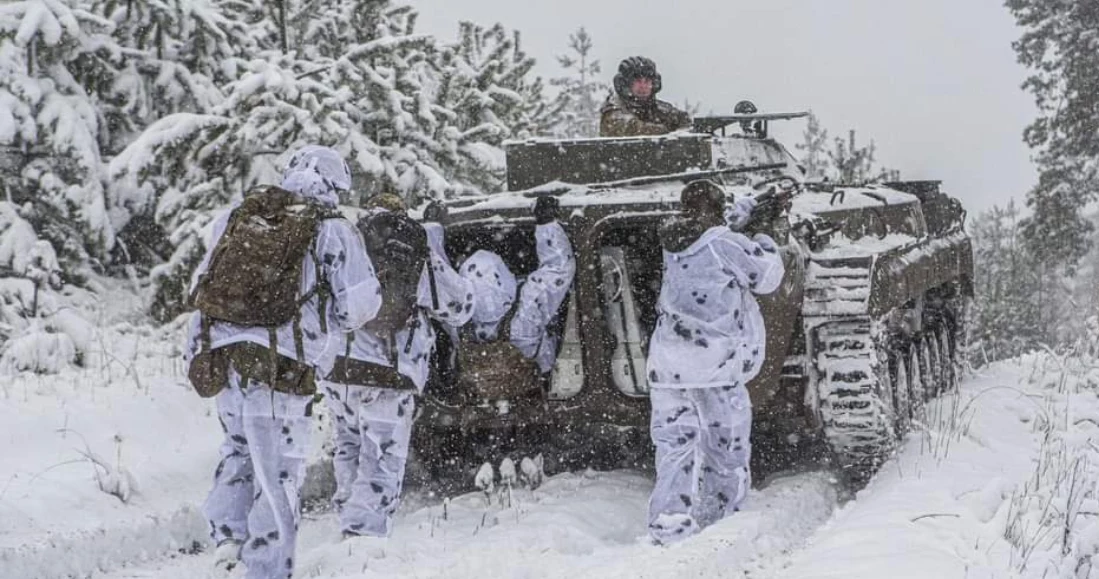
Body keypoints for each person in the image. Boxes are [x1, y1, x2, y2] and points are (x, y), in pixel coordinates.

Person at [185, 145, 381, 578]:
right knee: (278, 475)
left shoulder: (238, 217)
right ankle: (266, 569)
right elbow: (359, 306)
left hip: (224, 359)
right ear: (336, 183)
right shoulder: (332, 230)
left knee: (237, 450)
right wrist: (324, 322)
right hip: (281, 366)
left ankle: (228, 545)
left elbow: (202, 288)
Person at [320, 193, 474, 540]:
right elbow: (459, 306)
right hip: (388, 374)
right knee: (382, 456)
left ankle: (348, 516)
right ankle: (362, 537)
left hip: (338, 369)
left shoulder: (343, 243)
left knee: (349, 445)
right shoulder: (411, 251)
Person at [644, 179, 785, 545]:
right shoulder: (725, 244)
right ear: (715, 209)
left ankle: (670, 523)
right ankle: (721, 524)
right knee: (724, 446)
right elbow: (768, 276)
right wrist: (765, 235)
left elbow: (706, 241)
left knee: (674, 447)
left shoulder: (671, 241)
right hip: (714, 366)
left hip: (668, 365)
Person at [460, 196, 576, 374]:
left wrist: (432, 229)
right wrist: (546, 224)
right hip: (538, 383)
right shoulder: (526, 308)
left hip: (483, 395)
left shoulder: (460, 321)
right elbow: (559, 268)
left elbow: (437, 287)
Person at [600, 56, 692, 137]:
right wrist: (665, 131)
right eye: (638, 81)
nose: (643, 86)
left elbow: (684, 121)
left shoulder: (659, 109)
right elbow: (631, 129)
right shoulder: (613, 109)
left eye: (647, 81)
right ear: (626, 84)